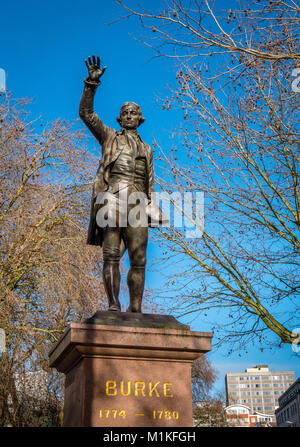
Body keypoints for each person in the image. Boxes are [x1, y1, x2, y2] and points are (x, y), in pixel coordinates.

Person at [79, 55, 166, 313]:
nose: (128, 116)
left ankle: (135, 309)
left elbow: (150, 182)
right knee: (112, 255)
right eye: (124, 113)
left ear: (140, 119)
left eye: (133, 113)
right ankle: (114, 305)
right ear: (119, 120)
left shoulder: (148, 149)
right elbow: (86, 113)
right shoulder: (109, 138)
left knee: (139, 259)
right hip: (112, 198)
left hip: (139, 203)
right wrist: (91, 84)